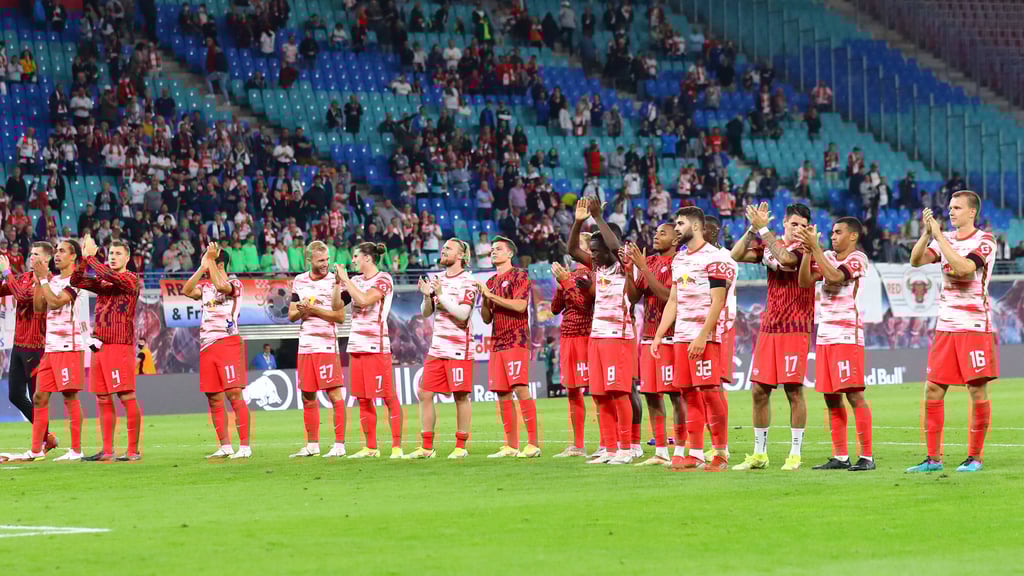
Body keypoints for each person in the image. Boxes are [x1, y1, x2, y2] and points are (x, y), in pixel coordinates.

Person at [906, 191, 996, 473]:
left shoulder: (985, 241)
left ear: (972, 212)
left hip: (973, 326)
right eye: (950, 207)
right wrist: (925, 234)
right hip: (945, 325)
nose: (951, 212)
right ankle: (933, 459)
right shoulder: (947, 239)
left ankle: (975, 457)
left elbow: (964, 268)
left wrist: (940, 238)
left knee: (976, 388)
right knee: (933, 388)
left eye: (957, 208)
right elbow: (916, 261)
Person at [729, 202, 813, 471]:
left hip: (795, 327)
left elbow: (787, 260)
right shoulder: (769, 243)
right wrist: (753, 228)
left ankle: (795, 453)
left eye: (803, 225)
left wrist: (763, 230)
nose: (799, 229)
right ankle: (759, 454)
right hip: (769, 327)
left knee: (793, 390)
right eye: (794, 224)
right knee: (759, 390)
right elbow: (736, 254)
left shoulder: (804, 249)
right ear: (785, 224)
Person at [652, 207, 732, 471]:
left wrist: (702, 336)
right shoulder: (679, 260)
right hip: (680, 338)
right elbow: (673, 300)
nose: (676, 228)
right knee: (687, 394)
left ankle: (720, 453)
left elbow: (718, 301)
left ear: (695, 227)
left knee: (709, 392)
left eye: (680, 223)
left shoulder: (715, 257)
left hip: (704, 338)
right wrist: (660, 335)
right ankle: (695, 453)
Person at [797, 217, 874, 472]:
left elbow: (836, 277)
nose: (833, 236)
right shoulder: (826, 254)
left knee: (854, 394)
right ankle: (840, 456)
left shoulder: (857, 259)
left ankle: (867, 456)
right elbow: (805, 282)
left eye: (838, 232)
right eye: (831, 232)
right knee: (831, 397)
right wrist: (808, 253)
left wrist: (815, 248)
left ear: (852, 236)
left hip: (846, 335)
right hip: (825, 335)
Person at [568, 197, 634, 465]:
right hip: (597, 337)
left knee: (618, 392)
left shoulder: (623, 264)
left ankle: (626, 448)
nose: (592, 255)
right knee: (599, 394)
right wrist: (578, 221)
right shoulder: (598, 267)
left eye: (597, 250)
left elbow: (617, 248)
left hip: (618, 337)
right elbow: (573, 249)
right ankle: (608, 448)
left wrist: (598, 218)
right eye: (592, 251)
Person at [404, 239, 478, 459]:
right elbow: (426, 312)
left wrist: (440, 294)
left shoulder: (469, 281)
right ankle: (427, 447)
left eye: (448, 248)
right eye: (443, 247)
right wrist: (428, 295)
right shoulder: (438, 279)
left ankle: (460, 447)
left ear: (461, 256)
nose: (443, 251)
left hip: (458, 348)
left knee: (460, 396)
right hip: (437, 347)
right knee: (424, 393)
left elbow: (463, 314)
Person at [73, 236, 143, 462]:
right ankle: (107, 450)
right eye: (111, 254)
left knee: (126, 395)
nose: (113, 257)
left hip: (119, 345)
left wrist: (93, 258)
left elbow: (108, 275)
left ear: (128, 257)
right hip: (100, 344)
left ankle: (133, 451)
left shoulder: (131, 279)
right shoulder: (104, 282)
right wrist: (85, 259)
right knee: (102, 398)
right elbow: (76, 280)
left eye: (118, 254)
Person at [11, 241, 82, 461]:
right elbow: (40, 306)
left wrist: (42, 280)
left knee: (69, 396)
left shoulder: (76, 280)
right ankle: (35, 449)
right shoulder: (55, 280)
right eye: (57, 251)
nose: (57, 255)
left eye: (62, 251)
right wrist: (38, 282)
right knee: (39, 397)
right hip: (50, 347)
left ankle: (76, 450)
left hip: (68, 346)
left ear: (73, 257)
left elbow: (57, 302)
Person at [181, 242, 251, 460]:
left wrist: (209, 263)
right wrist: (202, 268)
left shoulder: (235, 283)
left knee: (234, 394)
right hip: (207, 345)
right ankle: (225, 446)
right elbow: (185, 290)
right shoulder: (205, 288)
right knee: (213, 397)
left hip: (227, 341)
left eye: (209, 260)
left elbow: (222, 287)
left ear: (220, 263)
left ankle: (245, 446)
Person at [336, 242, 403, 459]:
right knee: (363, 398)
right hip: (356, 344)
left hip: (376, 345)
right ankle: (371, 447)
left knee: (387, 396)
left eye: (356, 256)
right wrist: (338, 285)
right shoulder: (354, 281)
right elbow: (336, 306)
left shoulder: (384, 279)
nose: (353, 260)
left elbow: (364, 301)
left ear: (367, 258)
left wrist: (346, 280)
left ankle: (396, 447)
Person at [624, 224, 684, 467]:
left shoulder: (680, 262)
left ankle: (681, 448)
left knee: (675, 395)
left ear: (675, 238)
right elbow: (634, 296)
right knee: (651, 394)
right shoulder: (650, 261)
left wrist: (643, 268)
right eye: (656, 232)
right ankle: (661, 451)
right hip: (649, 337)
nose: (656, 236)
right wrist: (630, 272)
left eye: (663, 233)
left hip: (672, 337)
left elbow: (666, 296)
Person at [478, 237, 539, 458]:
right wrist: (485, 299)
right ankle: (511, 445)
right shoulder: (491, 281)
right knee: (502, 394)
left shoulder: (520, 275)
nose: (493, 252)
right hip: (497, 342)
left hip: (516, 339)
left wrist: (491, 295)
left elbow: (521, 305)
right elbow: (486, 319)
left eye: (498, 249)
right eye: (492, 249)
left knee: (520, 388)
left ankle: (533, 443)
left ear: (510, 253)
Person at [288, 241, 347, 458]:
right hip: (305, 346)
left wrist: (314, 309)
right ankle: (312, 445)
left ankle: (339, 444)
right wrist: (302, 310)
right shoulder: (299, 281)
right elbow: (291, 315)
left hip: (326, 345)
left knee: (334, 395)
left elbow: (339, 317)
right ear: (309, 260)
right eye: (321, 260)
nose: (326, 264)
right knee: (307, 396)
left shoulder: (335, 281)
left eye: (327, 259)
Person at [0, 245, 54, 452]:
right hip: (19, 344)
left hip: (36, 347)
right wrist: (2, 276)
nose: (31, 257)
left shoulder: (47, 281)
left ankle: (43, 439)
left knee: (36, 396)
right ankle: (47, 436)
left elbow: (23, 297)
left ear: (47, 259)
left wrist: (7, 273)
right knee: (15, 395)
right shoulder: (23, 277)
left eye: (36, 254)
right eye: (31, 253)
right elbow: (5, 290)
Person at [550, 235, 595, 457]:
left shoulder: (590, 274)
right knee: (572, 390)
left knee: (598, 390)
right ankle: (578, 445)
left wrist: (566, 281)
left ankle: (611, 442)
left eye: (580, 246)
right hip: (567, 336)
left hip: (586, 335)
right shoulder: (570, 274)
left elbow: (583, 305)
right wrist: (561, 285)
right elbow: (555, 309)